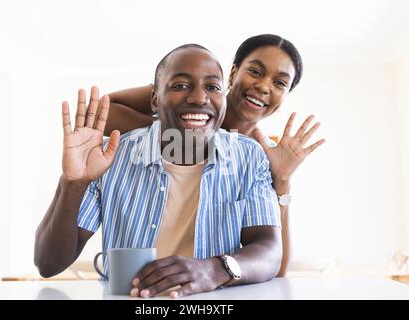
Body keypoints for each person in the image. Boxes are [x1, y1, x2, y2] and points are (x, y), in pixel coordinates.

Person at [34, 44, 282, 298]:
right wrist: (73, 183)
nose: (199, 98)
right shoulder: (111, 157)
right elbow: (49, 264)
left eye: (213, 87)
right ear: (155, 99)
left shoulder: (249, 157)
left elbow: (269, 250)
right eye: (180, 85)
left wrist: (213, 269)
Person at [98, 34, 325, 276]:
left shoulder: (262, 154)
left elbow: (277, 267)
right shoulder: (191, 97)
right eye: (256, 71)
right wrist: (175, 125)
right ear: (233, 73)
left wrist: (282, 179)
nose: (263, 86)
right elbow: (101, 112)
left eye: (280, 83)